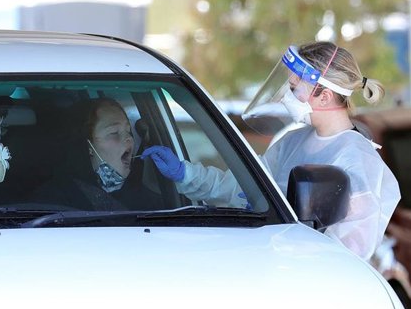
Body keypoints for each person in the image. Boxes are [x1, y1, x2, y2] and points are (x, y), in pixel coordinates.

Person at [143, 41, 401, 260]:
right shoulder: (293, 141)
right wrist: (186, 174)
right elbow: (245, 189)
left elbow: (350, 252)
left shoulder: (356, 159)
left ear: (324, 97)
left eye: (293, 89)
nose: (286, 97)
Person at [32, 97, 163, 211]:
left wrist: (183, 177)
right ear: (87, 145)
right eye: (114, 133)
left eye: (128, 131)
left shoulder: (147, 202)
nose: (129, 139)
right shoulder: (50, 202)